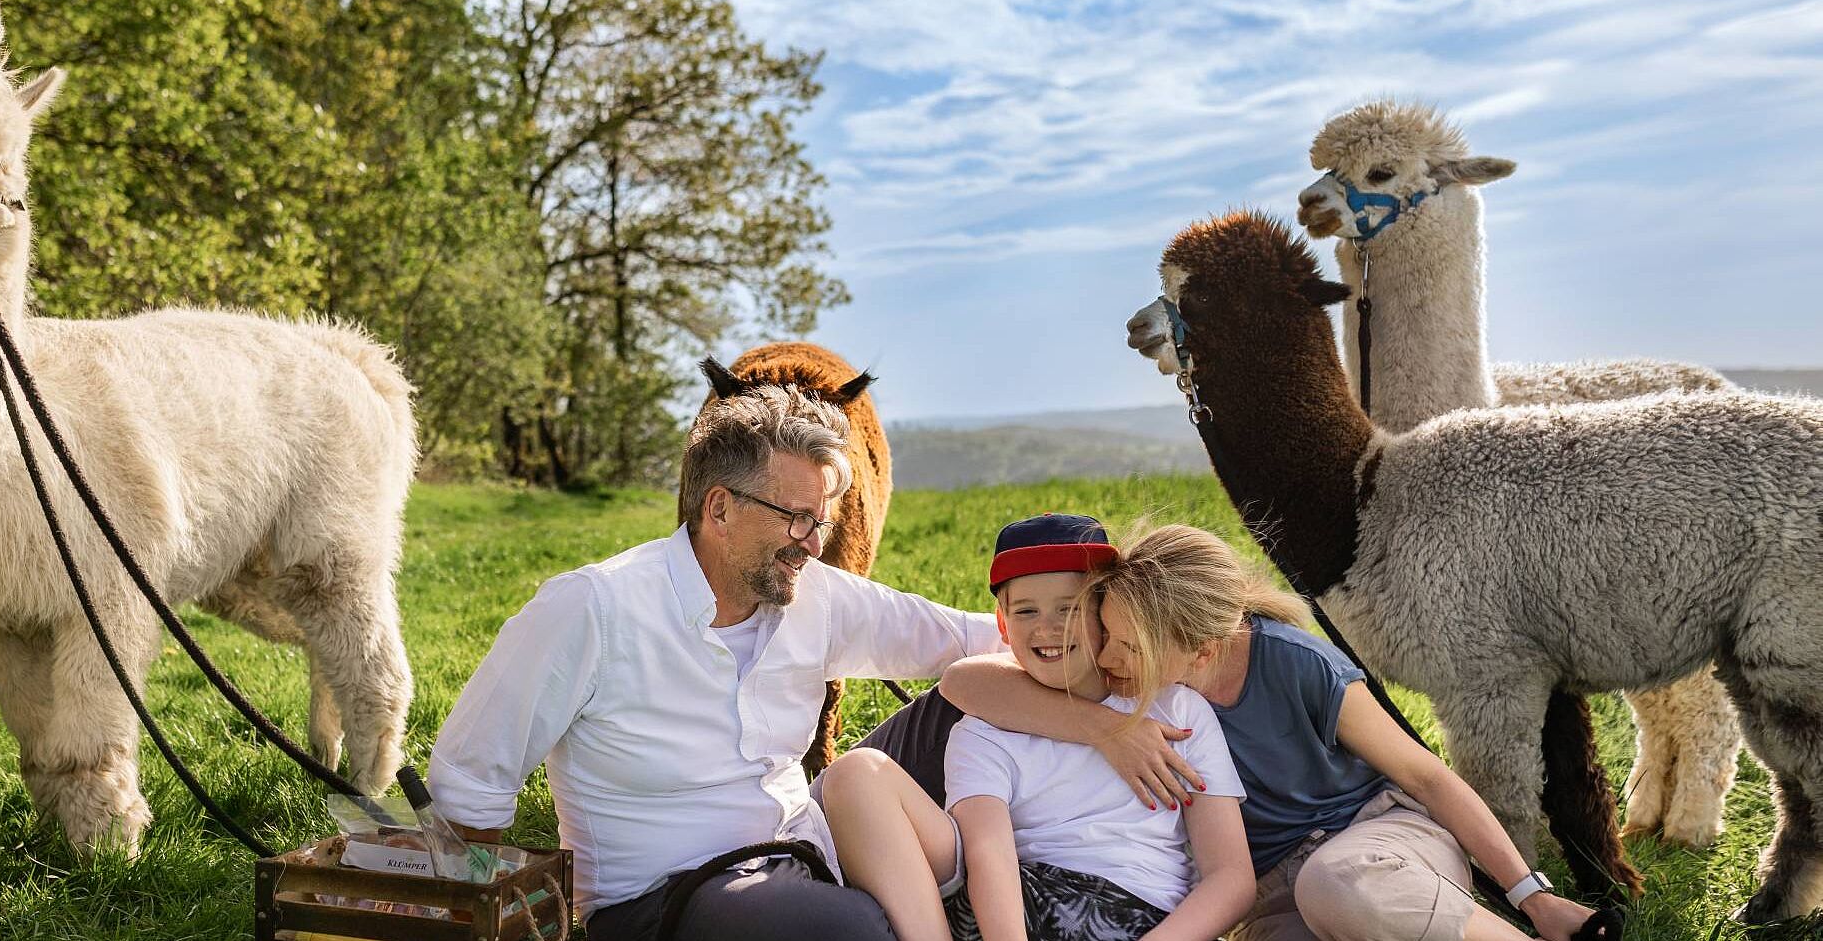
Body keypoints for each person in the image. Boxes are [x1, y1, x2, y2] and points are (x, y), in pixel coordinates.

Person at [427, 383, 1005, 941]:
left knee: (973, 695)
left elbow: (973, 639)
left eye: (820, 521)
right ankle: (926, 906)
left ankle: (1019, 875)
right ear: (721, 508)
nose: (813, 544)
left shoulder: (817, 594)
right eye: (796, 518)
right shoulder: (591, 607)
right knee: (842, 929)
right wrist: (476, 913)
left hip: (810, 836)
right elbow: (471, 779)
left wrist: (1064, 641)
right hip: (671, 896)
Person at [933, 524, 1608, 941]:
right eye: (1105, 632)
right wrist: (1103, 727)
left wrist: (1534, 896)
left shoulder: (1297, 664)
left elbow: (1426, 776)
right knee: (1316, 897)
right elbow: (965, 682)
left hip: (1374, 839)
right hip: (1271, 887)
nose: (1105, 656)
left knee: (1340, 885)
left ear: (1199, 650)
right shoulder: (1135, 685)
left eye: (1126, 646)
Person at [818, 514, 1255, 941]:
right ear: (1003, 625)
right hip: (1022, 907)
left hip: (1144, 916)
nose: (1047, 628)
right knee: (856, 772)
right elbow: (988, 852)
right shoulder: (984, 730)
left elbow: (1230, 876)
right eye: (1027, 611)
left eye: (1069, 608)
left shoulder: (1177, 710)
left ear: (1106, 613)